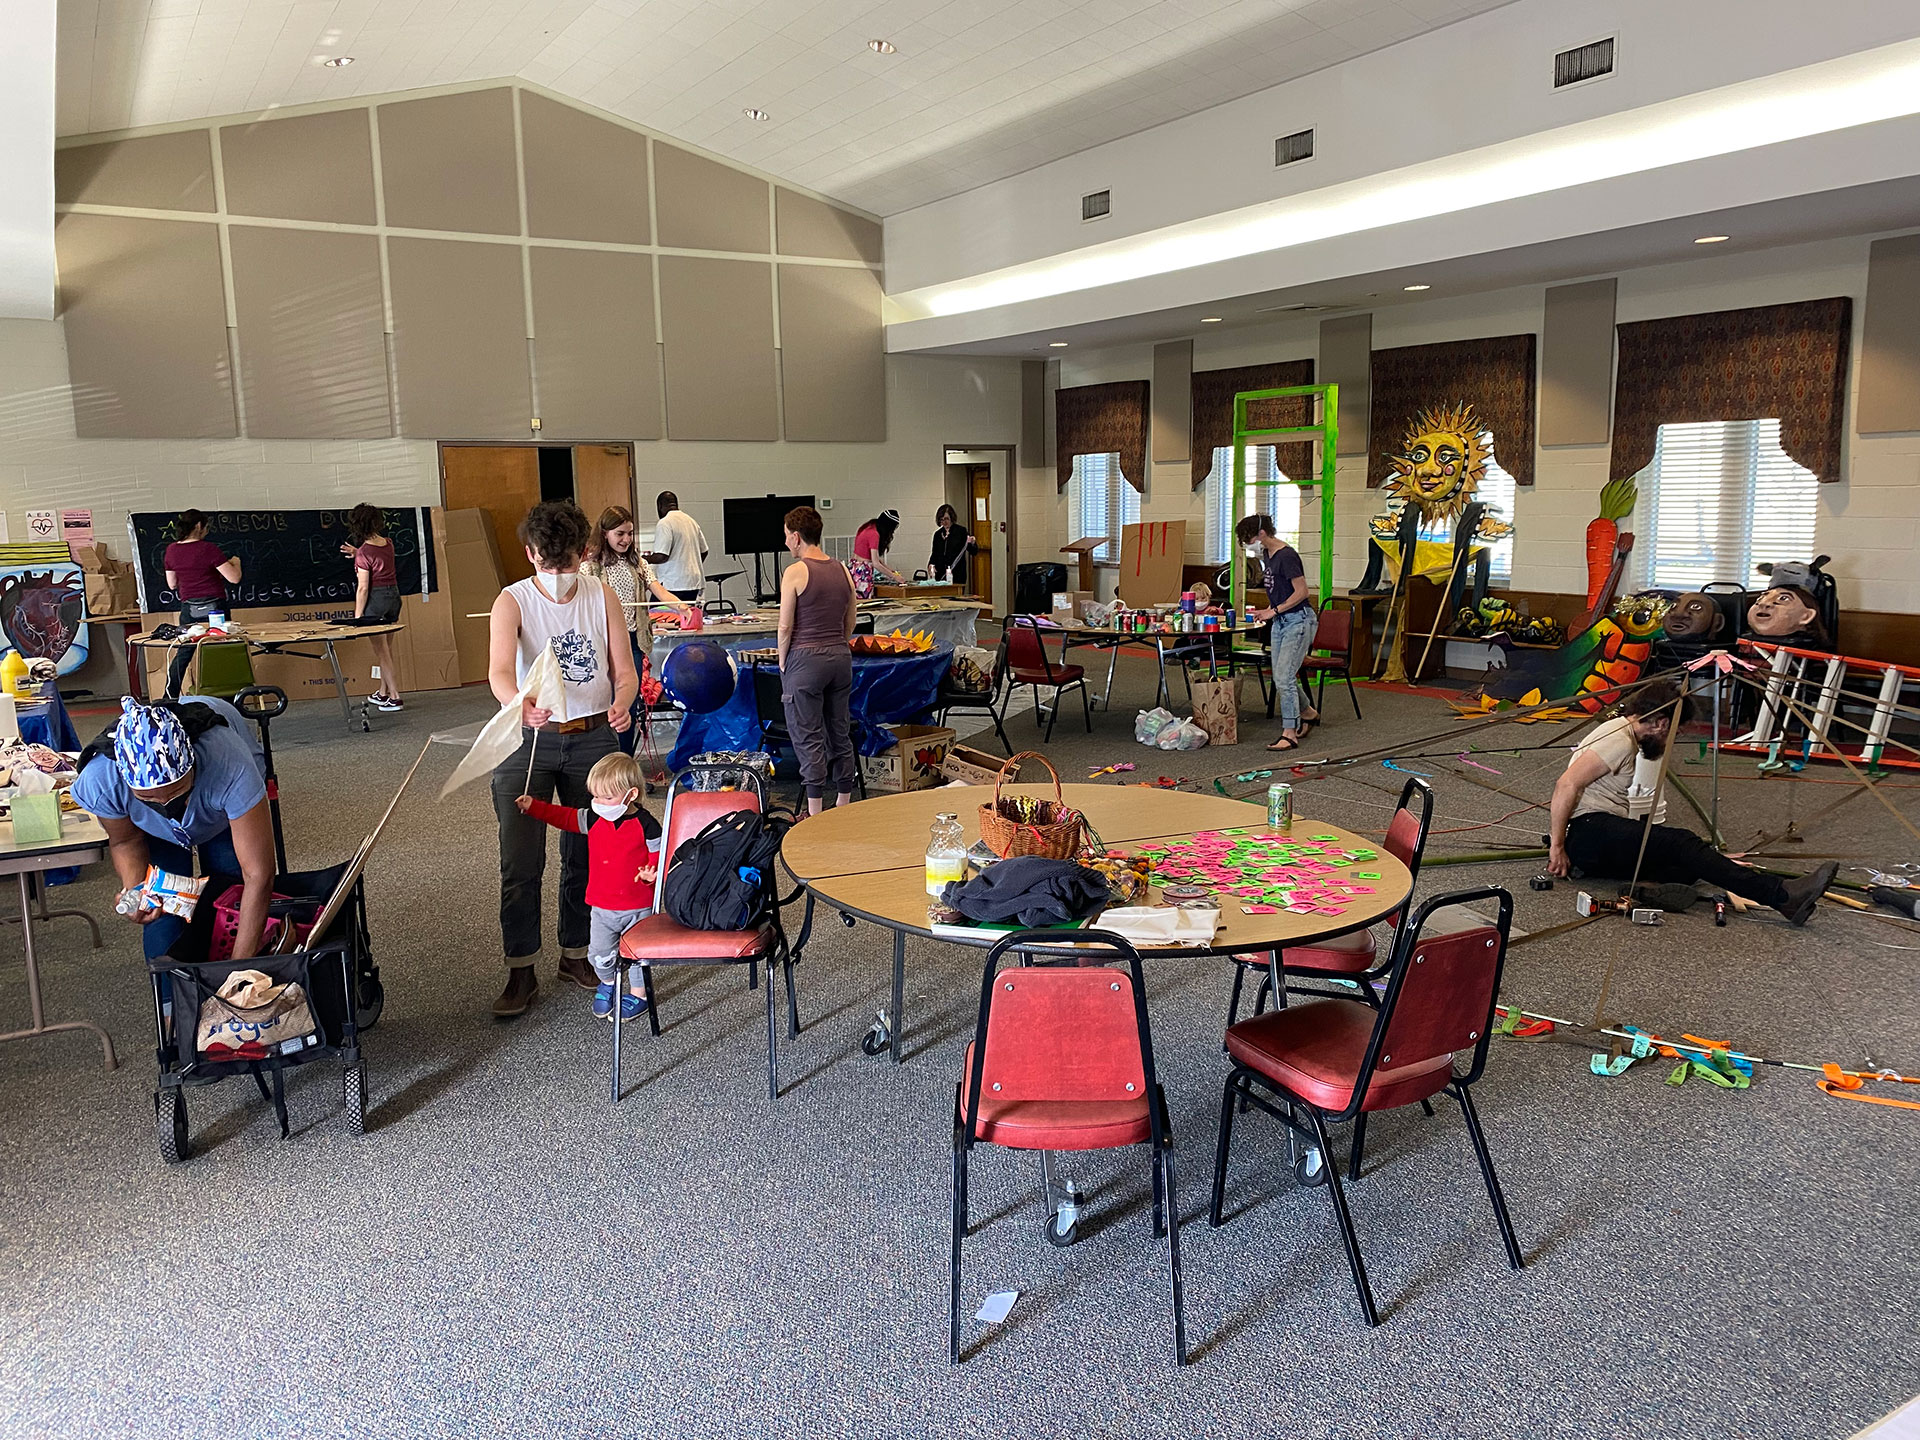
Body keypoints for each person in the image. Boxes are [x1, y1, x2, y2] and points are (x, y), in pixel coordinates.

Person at [487, 502, 639, 1018]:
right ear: (530, 555)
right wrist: (518, 705)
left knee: (588, 854)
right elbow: (499, 673)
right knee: (521, 859)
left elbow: (625, 669)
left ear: (584, 553)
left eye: (566, 562)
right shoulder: (512, 601)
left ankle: (576, 954)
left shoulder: (602, 596)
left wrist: (623, 698)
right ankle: (521, 968)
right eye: (545, 564)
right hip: (528, 738)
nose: (555, 574)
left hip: (594, 737)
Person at [1547, 678, 1838, 924]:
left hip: (1595, 837)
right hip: (1588, 831)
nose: (1672, 738)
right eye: (1675, 731)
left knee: (1687, 866)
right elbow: (1566, 784)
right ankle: (1783, 896)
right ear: (1661, 723)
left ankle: (1641, 889)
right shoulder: (1620, 740)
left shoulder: (1623, 732)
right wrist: (1557, 848)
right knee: (1682, 843)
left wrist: (1711, 857)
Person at [73, 696, 275, 963]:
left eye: (177, 792)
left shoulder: (230, 764)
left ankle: (223, 967)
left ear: (192, 764)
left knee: (229, 889)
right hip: (150, 828)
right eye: (150, 798)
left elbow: (258, 874)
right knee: (161, 911)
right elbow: (125, 842)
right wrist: (136, 893)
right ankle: (169, 1000)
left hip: (218, 805)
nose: (167, 804)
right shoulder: (101, 781)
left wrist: (236, 971)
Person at [515, 751, 662, 1024]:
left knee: (639, 954)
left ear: (630, 795)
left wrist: (653, 872)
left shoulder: (647, 824)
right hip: (601, 905)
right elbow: (564, 817)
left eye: (606, 798)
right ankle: (608, 983)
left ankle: (639, 995)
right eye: (595, 796)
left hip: (639, 905)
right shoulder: (594, 819)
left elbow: (660, 854)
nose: (598, 803)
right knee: (599, 953)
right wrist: (534, 806)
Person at [581, 505, 694, 753]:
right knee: (604, 707)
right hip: (602, 644)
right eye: (619, 533)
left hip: (632, 642)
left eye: (630, 533)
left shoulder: (638, 563)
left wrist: (681, 607)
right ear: (605, 533)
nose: (626, 539)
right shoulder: (590, 566)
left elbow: (659, 590)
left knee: (627, 707)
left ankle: (624, 763)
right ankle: (605, 766)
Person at [777, 504, 857, 816]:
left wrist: (784, 662)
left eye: (786, 536)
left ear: (797, 537)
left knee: (808, 734)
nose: (785, 543)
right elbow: (851, 620)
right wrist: (836, 642)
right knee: (839, 730)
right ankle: (843, 805)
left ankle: (814, 812)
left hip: (805, 660)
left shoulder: (795, 572)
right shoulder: (843, 570)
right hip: (839, 657)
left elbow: (785, 626)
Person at [1236, 514, 1319, 753]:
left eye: (1248, 538)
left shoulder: (1287, 556)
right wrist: (1268, 611)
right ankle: (1308, 713)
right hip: (1281, 621)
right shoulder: (1266, 554)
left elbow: (1302, 592)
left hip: (1298, 620)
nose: (1248, 544)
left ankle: (1289, 733)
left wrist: (1274, 610)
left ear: (1261, 534)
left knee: (1284, 678)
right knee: (1281, 677)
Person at [162, 509, 243, 698]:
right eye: (206, 527)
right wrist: (236, 562)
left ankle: (169, 696)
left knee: (184, 651)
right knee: (222, 649)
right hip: (216, 608)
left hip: (189, 607)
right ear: (199, 526)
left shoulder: (171, 550)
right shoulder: (208, 549)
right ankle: (227, 697)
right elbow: (234, 578)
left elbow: (172, 584)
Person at [336, 504, 404, 712]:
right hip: (394, 598)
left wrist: (358, 617)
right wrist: (358, 553)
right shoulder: (387, 543)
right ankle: (383, 692)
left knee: (382, 653)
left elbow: (363, 588)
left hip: (376, 601)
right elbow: (377, 558)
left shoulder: (364, 553)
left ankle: (395, 697)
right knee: (386, 650)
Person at [645, 491, 708, 603]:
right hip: (694, 583)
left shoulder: (665, 522)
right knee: (687, 618)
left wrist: (643, 559)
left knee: (656, 615)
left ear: (659, 506)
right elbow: (704, 551)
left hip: (673, 585)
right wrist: (688, 566)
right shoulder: (691, 521)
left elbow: (661, 556)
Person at [927, 504, 978, 587]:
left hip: (957, 573)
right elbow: (935, 553)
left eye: (946, 519)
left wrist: (972, 542)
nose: (944, 522)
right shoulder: (937, 534)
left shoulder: (961, 531)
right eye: (941, 519)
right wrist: (931, 564)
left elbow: (973, 551)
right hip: (941, 574)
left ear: (952, 518)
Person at [853, 509, 905, 583]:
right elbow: (876, 563)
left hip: (855, 569)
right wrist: (894, 577)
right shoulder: (874, 534)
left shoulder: (868, 527)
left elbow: (875, 559)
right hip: (862, 573)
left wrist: (890, 571)